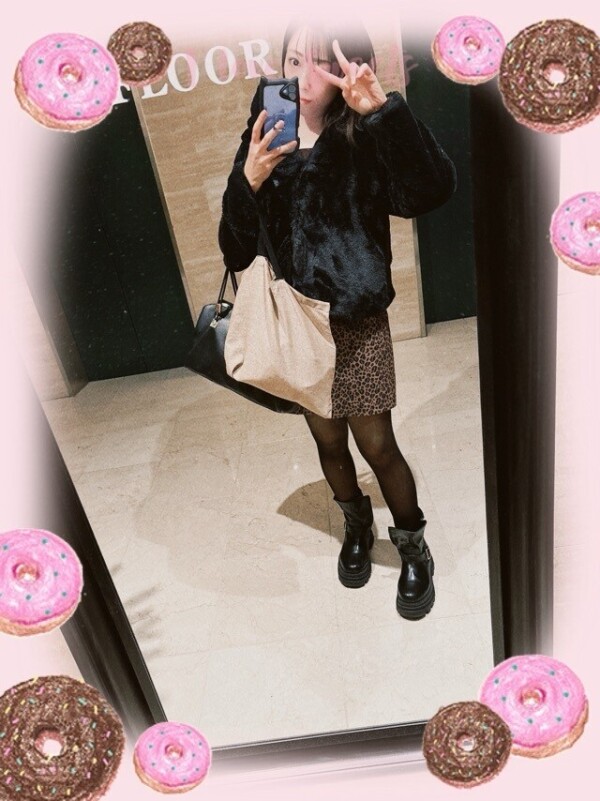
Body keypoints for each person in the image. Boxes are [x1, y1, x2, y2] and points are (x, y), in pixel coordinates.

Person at [218, 20, 457, 620]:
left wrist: (385, 114)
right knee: (327, 440)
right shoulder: (265, 130)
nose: (303, 78)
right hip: (299, 322)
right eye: (293, 60)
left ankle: (413, 545)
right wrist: (248, 181)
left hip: (356, 320)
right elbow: (234, 249)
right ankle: (355, 524)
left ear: (348, 66)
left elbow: (429, 192)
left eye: (320, 63)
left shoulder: (364, 133)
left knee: (378, 444)